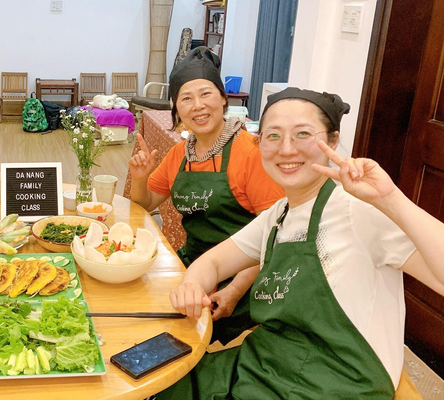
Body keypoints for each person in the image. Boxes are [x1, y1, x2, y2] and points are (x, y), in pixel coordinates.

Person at [159, 87, 444, 399]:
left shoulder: (358, 211)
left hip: (338, 386)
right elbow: (212, 262)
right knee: (167, 384)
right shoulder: (277, 216)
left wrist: (392, 202)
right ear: (259, 143)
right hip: (265, 365)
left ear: (332, 141)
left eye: (303, 134)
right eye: (273, 136)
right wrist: (192, 284)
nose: (287, 149)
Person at [129, 47, 283, 343]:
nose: (197, 106)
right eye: (186, 98)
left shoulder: (249, 153)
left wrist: (235, 290)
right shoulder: (179, 154)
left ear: (224, 98)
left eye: (206, 94)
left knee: (174, 339)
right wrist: (140, 178)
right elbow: (145, 204)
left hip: (245, 279)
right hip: (194, 267)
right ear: (176, 109)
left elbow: (272, 238)